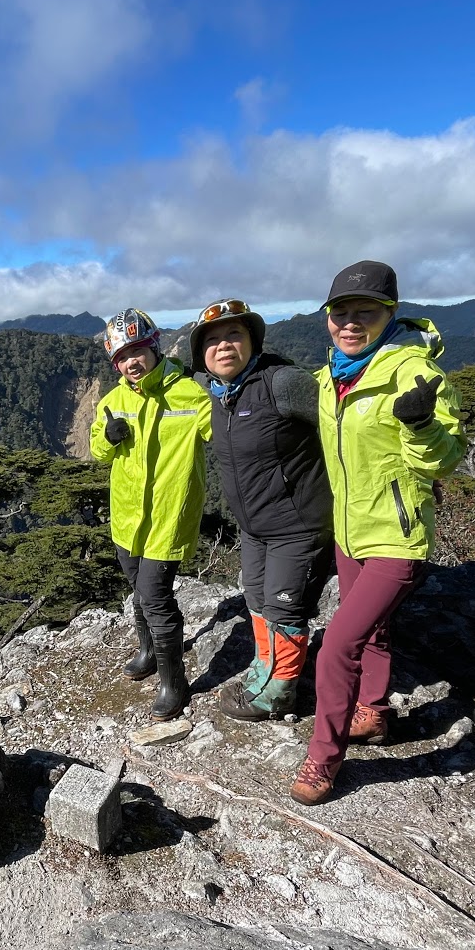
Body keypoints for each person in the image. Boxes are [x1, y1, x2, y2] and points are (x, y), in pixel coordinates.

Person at [291, 261, 465, 806]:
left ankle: (324, 758)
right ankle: (373, 711)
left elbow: (444, 461)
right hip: (350, 529)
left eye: (364, 312)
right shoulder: (331, 376)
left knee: (337, 646)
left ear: (390, 313)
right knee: (374, 631)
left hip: (397, 535)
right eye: (339, 312)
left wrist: (422, 424)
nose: (349, 322)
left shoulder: (415, 374)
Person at [190, 299, 333, 721]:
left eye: (234, 334)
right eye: (212, 340)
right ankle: (264, 669)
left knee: (285, 606)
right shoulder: (219, 393)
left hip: (299, 524)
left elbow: (343, 429)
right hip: (254, 526)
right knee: (255, 596)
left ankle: (280, 692)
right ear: (201, 354)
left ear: (253, 340)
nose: (224, 345)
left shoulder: (283, 384)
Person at [90, 308, 212, 720]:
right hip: (127, 518)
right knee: (138, 590)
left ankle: (173, 683)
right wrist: (109, 439)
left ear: (155, 347)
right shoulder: (114, 402)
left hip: (169, 517)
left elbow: (225, 433)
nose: (131, 362)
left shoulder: (190, 393)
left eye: (137, 350)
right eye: (122, 356)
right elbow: (97, 450)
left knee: (156, 597)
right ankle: (147, 652)